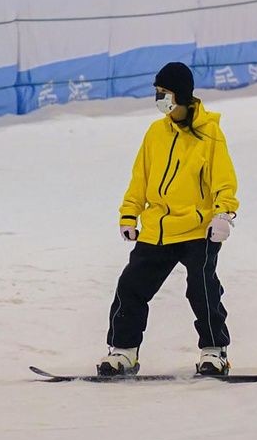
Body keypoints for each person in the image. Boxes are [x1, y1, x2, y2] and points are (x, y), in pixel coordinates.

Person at [101, 62, 239, 377]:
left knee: (202, 288)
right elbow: (140, 177)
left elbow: (224, 179)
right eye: (157, 93)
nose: (159, 99)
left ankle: (214, 351)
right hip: (158, 229)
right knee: (131, 286)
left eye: (164, 93)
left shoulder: (210, 135)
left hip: (197, 229)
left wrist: (223, 213)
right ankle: (123, 351)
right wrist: (129, 212)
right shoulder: (155, 132)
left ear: (181, 94)